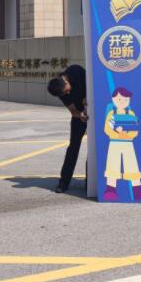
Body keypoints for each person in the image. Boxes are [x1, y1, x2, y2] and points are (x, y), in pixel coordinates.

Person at [101, 87, 141, 202]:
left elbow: (135, 130)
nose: (122, 102)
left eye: (126, 100)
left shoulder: (131, 113)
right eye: (119, 99)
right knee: (112, 165)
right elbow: (107, 129)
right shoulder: (111, 113)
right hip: (114, 143)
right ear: (113, 99)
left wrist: (126, 135)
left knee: (132, 166)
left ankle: (137, 192)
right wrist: (117, 134)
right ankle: (110, 190)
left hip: (128, 143)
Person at [47, 65, 88, 193]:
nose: (67, 94)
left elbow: (93, 83)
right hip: (80, 116)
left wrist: (88, 97)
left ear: (65, 81)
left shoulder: (76, 71)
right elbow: (73, 111)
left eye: (66, 91)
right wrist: (80, 115)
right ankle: (63, 182)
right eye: (64, 94)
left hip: (96, 111)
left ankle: (91, 181)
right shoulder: (60, 91)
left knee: (94, 148)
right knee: (73, 147)